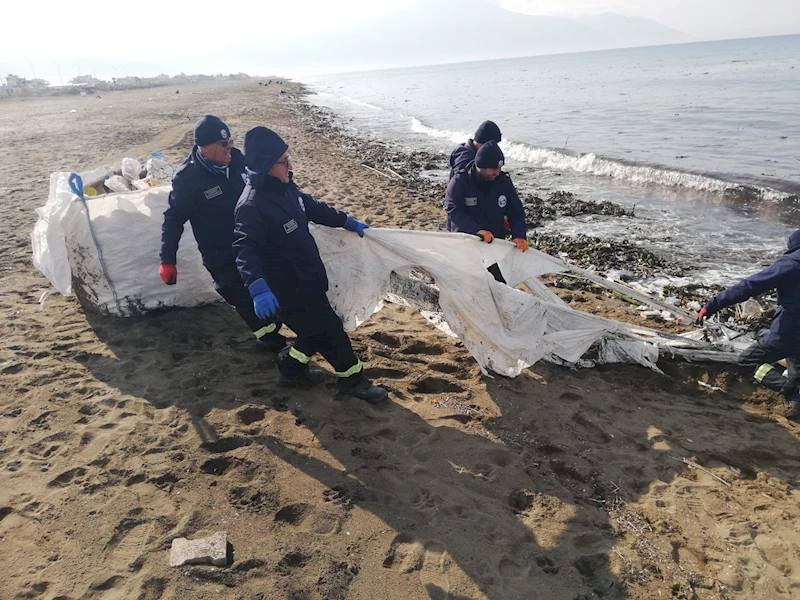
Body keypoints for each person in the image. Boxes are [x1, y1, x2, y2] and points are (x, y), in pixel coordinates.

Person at [233, 126, 389, 404]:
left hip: (309, 279)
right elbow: (245, 249)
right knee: (331, 331)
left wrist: (347, 221)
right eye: (284, 161)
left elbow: (314, 208)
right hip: (287, 289)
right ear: (268, 166)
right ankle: (353, 381)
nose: (289, 165)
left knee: (313, 332)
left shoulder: (285, 189)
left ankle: (291, 369)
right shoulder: (251, 206)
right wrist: (257, 287)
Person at [159, 116, 286, 352]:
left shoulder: (238, 160)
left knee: (271, 291)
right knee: (242, 299)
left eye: (230, 142)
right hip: (221, 254)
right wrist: (168, 260)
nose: (230, 148)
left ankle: (275, 330)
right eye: (223, 144)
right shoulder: (188, 179)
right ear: (204, 147)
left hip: (253, 243)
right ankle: (272, 342)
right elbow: (174, 219)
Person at [697, 229, 800, 419]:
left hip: (789, 330)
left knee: (750, 361)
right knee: (796, 364)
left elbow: (749, 286)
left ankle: (791, 392)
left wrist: (712, 305)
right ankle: (795, 402)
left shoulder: (791, 264)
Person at [444, 141, 528, 283]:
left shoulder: (503, 182)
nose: (497, 172)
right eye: (493, 169)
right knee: (468, 283)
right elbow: (454, 210)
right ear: (480, 166)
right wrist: (476, 231)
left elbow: (516, 210)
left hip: (494, 243)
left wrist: (519, 234)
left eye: (500, 167)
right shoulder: (460, 182)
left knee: (500, 284)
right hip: (466, 242)